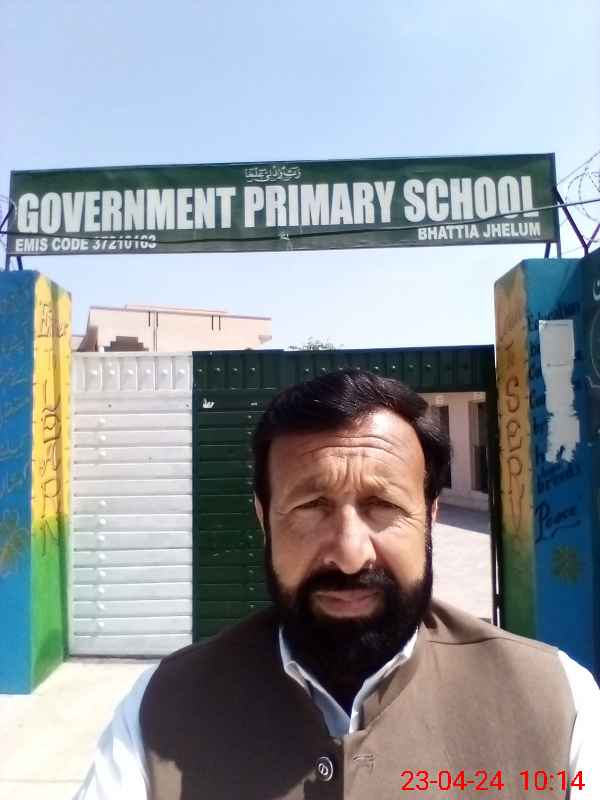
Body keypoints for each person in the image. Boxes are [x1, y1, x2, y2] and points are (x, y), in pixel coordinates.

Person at [75, 369, 599, 800]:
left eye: (382, 505)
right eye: (311, 507)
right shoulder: (159, 712)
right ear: (263, 517)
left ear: (431, 515)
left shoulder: (558, 703)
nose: (350, 554)